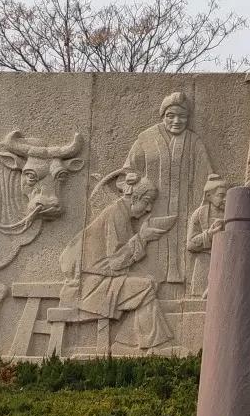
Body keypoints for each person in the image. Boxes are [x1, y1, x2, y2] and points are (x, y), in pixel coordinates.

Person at [64, 172, 169, 351]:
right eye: (147, 201)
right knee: (146, 286)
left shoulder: (120, 213)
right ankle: (151, 345)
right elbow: (115, 262)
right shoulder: (116, 214)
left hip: (101, 280)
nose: (149, 208)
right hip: (90, 286)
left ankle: (126, 342)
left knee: (148, 282)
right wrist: (142, 237)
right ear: (135, 197)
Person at [122, 92, 213, 285]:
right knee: (152, 244)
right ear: (163, 115)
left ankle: (180, 280)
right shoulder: (145, 139)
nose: (177, 121)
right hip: (151, 208)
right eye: (170, 115)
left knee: (182, 245)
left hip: (185, 207)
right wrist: (130, 180)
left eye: (182, 116)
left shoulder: (194, 142)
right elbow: (126, 172)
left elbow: (207, 176)